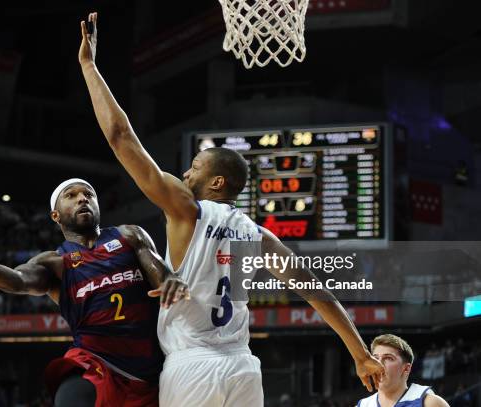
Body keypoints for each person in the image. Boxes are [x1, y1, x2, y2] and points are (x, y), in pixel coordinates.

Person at [78, 12, 384, 407]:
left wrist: (88, 66)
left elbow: (121, 137)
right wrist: (359, 353)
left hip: (193, 366)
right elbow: (316, 291)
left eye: (196, 167)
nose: (186, 172)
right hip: (243, 368)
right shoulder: (259, 236)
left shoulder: (187, 210)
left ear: (217, 182)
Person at [0, 178, 189, 407]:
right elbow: (17, 281)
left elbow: (162, 276)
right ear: (55, 215)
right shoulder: (55, 262)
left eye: (88, 194)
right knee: (70, 396)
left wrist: (170, 282)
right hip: (99, 363)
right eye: (71, 196)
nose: (82, 199)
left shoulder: (129, 236)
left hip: (155, 369)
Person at [357, 334, 449, 407]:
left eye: (388, 358)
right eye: (375, 358)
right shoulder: (363, 405)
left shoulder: (430, 403)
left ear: (406, 368)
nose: (379, 364)